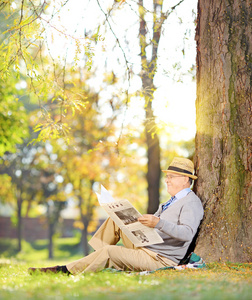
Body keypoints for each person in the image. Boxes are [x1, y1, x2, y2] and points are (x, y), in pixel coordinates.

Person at [28, 157, 204, 275]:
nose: (167, 180)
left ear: (185, 179)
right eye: (167, 177)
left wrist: (158, 222)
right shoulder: (171, 201)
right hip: (148, 246)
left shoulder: (191, 202)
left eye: (172, 177)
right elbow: (158, 226)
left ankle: (63, 271)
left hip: (159, 259)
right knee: (115, 220)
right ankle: (97, 258)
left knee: (111, 251)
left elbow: (187, 233)